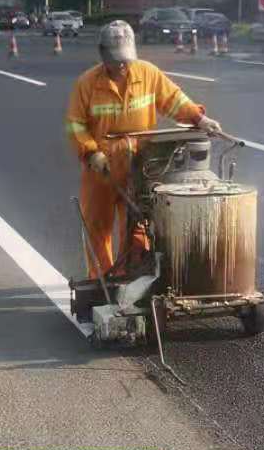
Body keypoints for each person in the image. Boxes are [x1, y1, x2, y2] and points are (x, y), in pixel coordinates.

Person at [64, 19, 221, 277]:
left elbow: (174, 100)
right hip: (102, 167)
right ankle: (102, 281)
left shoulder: (147, 73)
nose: (122, 65)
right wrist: (91, 153)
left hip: (140, 164)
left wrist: (199, 118)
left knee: (137, 223)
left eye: (125, 59)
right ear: (103, 54)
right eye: (116, 59)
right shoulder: (87, 84)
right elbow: (75, 125)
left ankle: (132, 277)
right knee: (97, 226)